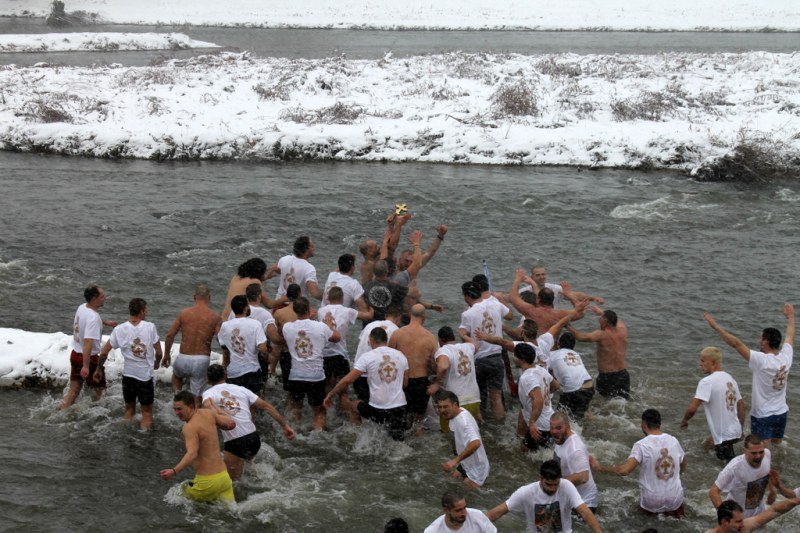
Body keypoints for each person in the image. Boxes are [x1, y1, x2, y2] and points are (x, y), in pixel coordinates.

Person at [704, 304, 794, 447]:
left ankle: (764, 468)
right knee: (777, 446)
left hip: (762, 415)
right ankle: (777, 467)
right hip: (781, 412)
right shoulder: (787, 356)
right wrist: (790, 316)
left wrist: (715, 326)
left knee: (760, 449)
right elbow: (790, 336)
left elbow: (736, 344)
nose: (759, 341)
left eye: (761, 338)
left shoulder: (761, 360)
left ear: (766, 341)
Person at [201, 364, 295, 480]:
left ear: (208, 380)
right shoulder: (241, 389)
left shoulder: (208, 393)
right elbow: (267, 406)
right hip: (254, 438)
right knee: (247, 471)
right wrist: (285, 426)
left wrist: (217, 411)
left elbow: (207, 406)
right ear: (225, 375)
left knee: (233, 482)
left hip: (235, 442)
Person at [590, 408, 686, 518]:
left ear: (644, 425)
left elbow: (624, 470)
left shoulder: (641, 445)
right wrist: (676, 474)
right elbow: (684, 463)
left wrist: (600, 467)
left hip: (651, 502)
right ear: (659, 424)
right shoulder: (674, 441)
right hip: (675, 501)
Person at [324, 327, 408, 441]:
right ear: (386, 340)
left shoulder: (367, 357)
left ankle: (359, 441)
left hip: (378, 409)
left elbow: (347, 380)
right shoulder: (401, 355)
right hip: (400, 408)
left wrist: (331, 394)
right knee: (398, 441)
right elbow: (405, 383)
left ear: (371, 340)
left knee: (353, 406)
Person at [95, 298, 162, 430]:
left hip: (128, 376)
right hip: (144, 377)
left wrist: (98, 368)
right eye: (146, 310)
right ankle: (144, 439)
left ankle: (124, 433)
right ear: (141, 311)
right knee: (147, 413)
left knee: (129, 409)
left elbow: (103, 353)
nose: (147, 312)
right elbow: (159, 352)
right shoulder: (150, 327)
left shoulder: (119, 329)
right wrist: (156, 363)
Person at [160, 390, 237, 504]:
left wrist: (174, 471)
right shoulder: (208, 413)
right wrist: (216, 408)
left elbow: (192, 453)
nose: (177, 413)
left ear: (191, 406)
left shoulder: (189, 427)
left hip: (207, 483)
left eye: (180, 409)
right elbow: (231, 423)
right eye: (175, 409)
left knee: (175, 496)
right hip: (224, 478)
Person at [486, 459, 602, 533]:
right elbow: (497, 512)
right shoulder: (526, 492)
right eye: (548, 484)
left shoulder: (566, 486)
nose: (553, 488)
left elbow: (585, 512)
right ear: (540, 478)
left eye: (556, 484)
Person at [282, 297, 341, 430]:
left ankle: (294, 431)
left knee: (296, 407)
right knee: (319, 410)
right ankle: (318, 435)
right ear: (309, 309)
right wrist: (329, 326)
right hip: (316, 377)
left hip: (296, 376)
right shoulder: (321, 327)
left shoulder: (287, 327)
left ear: (294, 310)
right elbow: (337, 338)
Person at [458, 280, 513, 423]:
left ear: (466, 296)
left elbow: (465, 336)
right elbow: (510, 315)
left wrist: (462, 335)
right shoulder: (496, 305)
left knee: (480, 396)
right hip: (497, 357)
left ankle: (481, 426)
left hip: (480, 360)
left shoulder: (467, 314)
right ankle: (500, 426)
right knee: (496, 396)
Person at [680, 346, 745, 462]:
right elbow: (741, 406)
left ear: (713, 362)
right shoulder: (730, 379)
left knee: (728, 468)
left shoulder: (706, 382)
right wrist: (740, 428)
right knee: (708, 447)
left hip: (723, 436)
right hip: (735, 431)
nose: (700, 364)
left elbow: (692, 409)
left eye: (703, 361)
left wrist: (685, 420)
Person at [317, 286, 373, 413]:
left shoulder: (320, 311)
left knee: (325, 388)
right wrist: (371, 305)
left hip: (323, 355)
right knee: (343, 392)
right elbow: (368, 316)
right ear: (342, 298)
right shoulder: (348, 311)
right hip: (339, 355)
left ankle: (325, 416)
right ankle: (345, 416)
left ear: (328, 298)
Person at [61, 285, 117, 409]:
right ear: (94, 298)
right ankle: (100, 415)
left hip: (75, 354)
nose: (105, 298)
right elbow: (88, 343)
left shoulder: (82, 307)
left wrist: (104, 322)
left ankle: (62, 410)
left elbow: (87, 321)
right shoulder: (93, 318)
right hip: (89, 358)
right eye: (102, 296)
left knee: (74, 389)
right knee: (100, 391)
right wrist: (86, 366)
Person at [163, 283, 222, 396]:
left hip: (183, 358)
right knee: (196, 398)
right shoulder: (214, 316)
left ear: (194, 297)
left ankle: (178, 398)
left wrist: (166, 354)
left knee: (176, 377)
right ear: (209, 297)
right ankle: (194, 409)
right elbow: (221, 340)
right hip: (201, 360)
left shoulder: (184, 313)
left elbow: (170, 335)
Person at [389, 303, 439, 428]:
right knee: (418, 422)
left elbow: (389, 357)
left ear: (410, 315)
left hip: (402, 381)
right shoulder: (431, 338)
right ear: (424, 317)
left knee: (402, 418)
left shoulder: (397, 334)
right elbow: (434, 365)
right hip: (421, 382)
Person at [568, 306, 630, 400]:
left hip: (607, 378)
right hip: (623, 375)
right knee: (623, 403)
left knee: (605, 404)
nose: (599, 321)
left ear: (605, 321)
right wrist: (601, 312)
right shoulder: (623, 330)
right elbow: (618, 321)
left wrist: (566, 324)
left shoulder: (601, 335)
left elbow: (580, 337)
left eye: (600, 319)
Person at [428, 326, 481, 432]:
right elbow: (476, 344)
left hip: (453, 403)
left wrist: (437, 383)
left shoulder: (444, 350)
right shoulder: (467, 347)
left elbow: (443, 366)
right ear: (453, 337)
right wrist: (464, 335)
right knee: (469, 433)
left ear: (441, 340)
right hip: (474, 400)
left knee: (449, 436)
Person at [434, 390, 490, 490]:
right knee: (454, 480)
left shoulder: (463, 421)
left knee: (475, 495)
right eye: (440, 407)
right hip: (466, 464)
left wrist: (454, 461)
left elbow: (476, 443)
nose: (442, 410)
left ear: (455, 405)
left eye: (446, 406)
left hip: (476, 470)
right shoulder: (456, 414)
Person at [709, 435, 773, 518]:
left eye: (761, 452)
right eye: (754, 453)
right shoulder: (734, 468)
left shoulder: (767, 454)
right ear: (745, 451)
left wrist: (772, 491)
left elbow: (767, 472)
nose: (758, 456)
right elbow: (713, 491)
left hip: (759, 511)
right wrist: (726, 516)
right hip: (739, 516)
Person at [218, 295, 268, 395]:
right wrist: (266, 360)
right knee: (254, 401)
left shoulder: (225, 326)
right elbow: (263, 349)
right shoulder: (255, 324)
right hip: (252, 371)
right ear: (245, 308)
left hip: (233, 372)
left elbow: (225, 349)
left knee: (237, 401)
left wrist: (225, 369)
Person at [352, 306, 402, 402]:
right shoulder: (396, 331)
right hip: (376, 376)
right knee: (379, 407)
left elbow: (361, 342)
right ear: (398, 318)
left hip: (358, 373)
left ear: (386, 316)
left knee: (362, 405)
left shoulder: (370, 325)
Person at [514, 343, 558, 452]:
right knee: (544, 452)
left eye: (515, 356)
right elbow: (556, 385)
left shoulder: (527, 377)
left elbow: (538, 400)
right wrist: (546, 393)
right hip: (550, 419)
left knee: (525, 452)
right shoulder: (540, 369)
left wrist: (532, 423)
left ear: (522, 359)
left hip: (540, 426)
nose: (513, 358)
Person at [550, 412, 598, 512]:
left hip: (585, 504)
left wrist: (555, 483)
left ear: (568, 427)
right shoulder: (561, 438)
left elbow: (584, 477)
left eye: (559, 428)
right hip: (570, 498)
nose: (554, 431)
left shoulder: (575, 449)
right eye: (552, 427)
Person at [549, 332, 595, 419]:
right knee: (584, 410)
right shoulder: (575, 354)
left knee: (560, 416)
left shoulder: (552, 355)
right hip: (589, 387)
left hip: (574, 392)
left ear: (559, 344)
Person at [704, 498, 800, 533]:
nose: (742, 524)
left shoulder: (745, 527)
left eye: (742, 520)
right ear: (725, 522)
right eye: (738, 521)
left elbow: (774, 510)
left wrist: (796, 501)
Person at [274, 236, 323, 300]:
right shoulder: (309, 268)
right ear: (306, 250)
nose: (314, 248)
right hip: (297, 306)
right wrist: (328, 298)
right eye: (312, 246)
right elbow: (314, 293)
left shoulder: (284, 259)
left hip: (278, 303)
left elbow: (275, 270)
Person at [424, 490, 497, 533]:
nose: (464, 513)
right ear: (446, 510)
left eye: (464, 508)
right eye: (458, 510)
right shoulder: (433, 530)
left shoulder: (477, 516)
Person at [363, 259, 408, 324]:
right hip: (389, 323)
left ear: (373, 272)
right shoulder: (395, 288)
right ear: (387, 271)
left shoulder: (365, 287)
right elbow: (408, 297)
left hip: (370, 324)